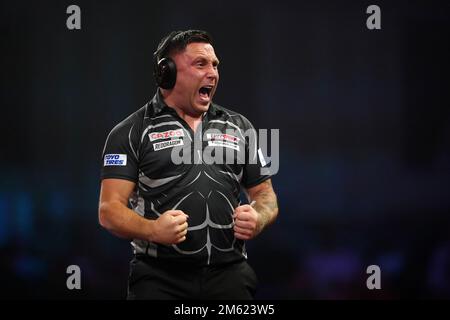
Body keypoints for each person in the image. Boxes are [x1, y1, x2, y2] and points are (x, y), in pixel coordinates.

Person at [98, 29, 279, 300]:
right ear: (166, 72)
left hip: (230, 275)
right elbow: (108, 210)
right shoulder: (129, 131)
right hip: (159, 278)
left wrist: (259, 217)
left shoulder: (241, 126)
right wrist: (153, 230)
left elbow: (266, 196)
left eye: (215, 65)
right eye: (201, 64)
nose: (213, 73)